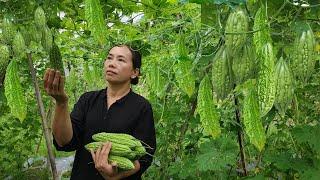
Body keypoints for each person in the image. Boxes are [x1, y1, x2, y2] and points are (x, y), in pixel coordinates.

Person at [43, 44, 157, 179]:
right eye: (109, 58)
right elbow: (64, 142)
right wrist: (61, 103)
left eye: (120, 60)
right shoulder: (87, 99)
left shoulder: (142, 107)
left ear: (134, 72)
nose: (112, 64)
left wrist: (115, 176)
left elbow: (144, 156)